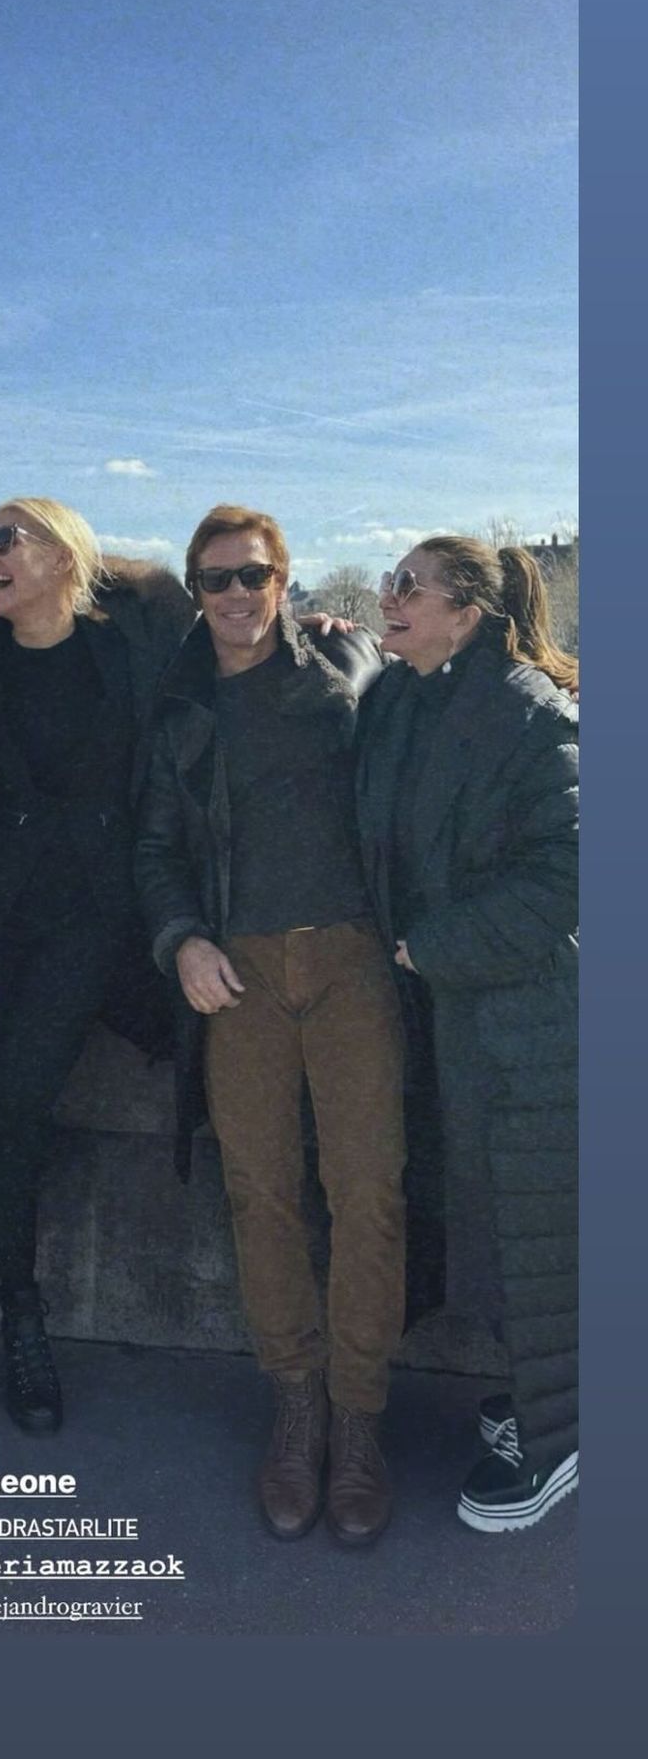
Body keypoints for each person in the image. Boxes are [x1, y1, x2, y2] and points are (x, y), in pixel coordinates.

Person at [0, 500, 193, 1440]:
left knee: (16, 1103)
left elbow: (239, 664)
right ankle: (22, 1318)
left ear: (65, 557)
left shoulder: (129, 654)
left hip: (89, 923)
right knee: (4, 1122)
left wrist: (325, 630)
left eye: (6, 540)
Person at [136, 505, 409, 1547]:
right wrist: (181, 940)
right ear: (195, 592)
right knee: (260, 1194)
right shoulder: (179, 705)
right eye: (215, 579)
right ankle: (296, 1407)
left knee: (369, 1193)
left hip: (353, 960)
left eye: (253, 575)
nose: (236, 595)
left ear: (284, 582)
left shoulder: (349, 667)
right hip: (239, 971)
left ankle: (359, 1417)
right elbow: (154, 849)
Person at [356, 535, 578, 1534]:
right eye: (388, 581)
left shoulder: (530, 713)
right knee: (499, 1231)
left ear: (468, 612)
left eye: (410, 585)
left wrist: (432, 945)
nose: (389, 597)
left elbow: (570, 878)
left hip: (527, 1024)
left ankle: (564, 1445)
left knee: (542, 1236)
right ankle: (547, 1403)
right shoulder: (402, 699)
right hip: (454, 1019)